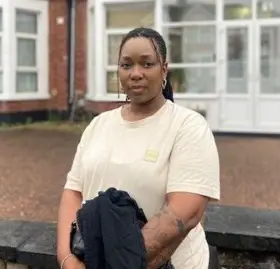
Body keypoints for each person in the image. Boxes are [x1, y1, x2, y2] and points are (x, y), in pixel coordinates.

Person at [56, 27, 220, 269]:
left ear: (164, 69)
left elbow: (185, 211)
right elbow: (73, 192)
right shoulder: (98, 124)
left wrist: (119, 261)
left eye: (147, 64)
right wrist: (68, 260)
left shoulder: (187, 126)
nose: (135, 73)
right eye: (126, 65)